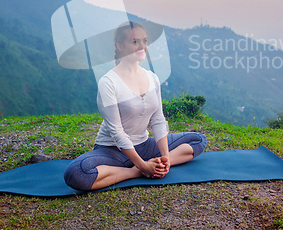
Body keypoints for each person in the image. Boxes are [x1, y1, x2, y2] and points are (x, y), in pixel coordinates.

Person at [64, 21, 207, 191]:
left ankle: (157, 164)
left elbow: (158, 119)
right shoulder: (108, 82)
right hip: (113, 150)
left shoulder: (152, 78)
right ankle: (133, 172)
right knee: (75, 174)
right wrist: (141, 168)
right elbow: (116, 132)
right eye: (134, 42)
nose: (142, 46)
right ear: (120, 46)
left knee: (198, 140)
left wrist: (165, 157)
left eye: (145, 41)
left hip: (145, 145)